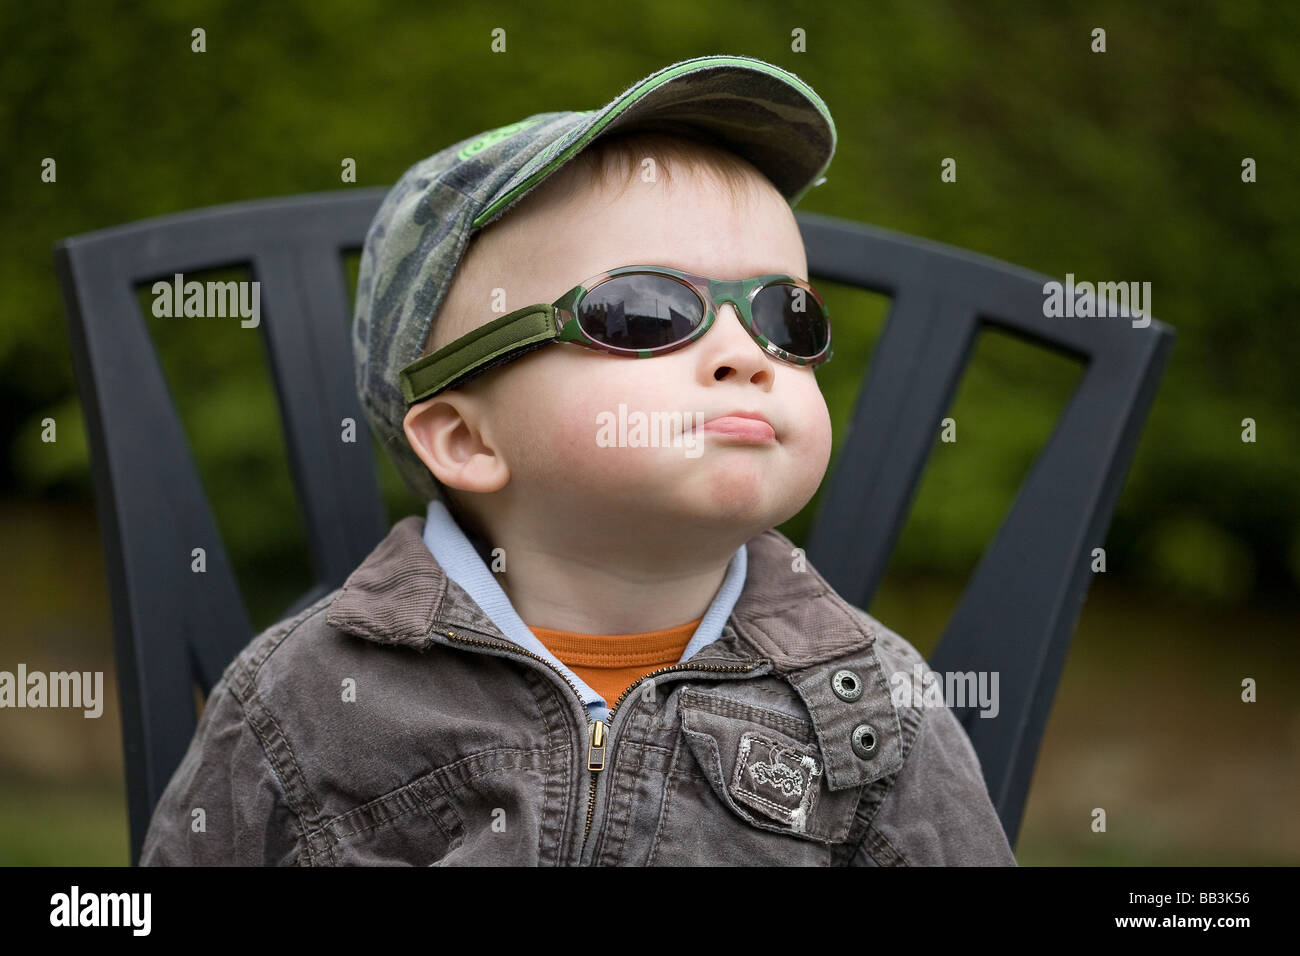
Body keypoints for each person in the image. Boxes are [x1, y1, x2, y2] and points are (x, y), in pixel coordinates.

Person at [140, 54, 1016, 866]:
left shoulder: (871, 703)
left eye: (786, 317)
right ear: (466, 439)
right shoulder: (309, 694)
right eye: (644, 310)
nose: (747, 354)